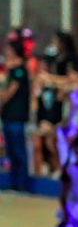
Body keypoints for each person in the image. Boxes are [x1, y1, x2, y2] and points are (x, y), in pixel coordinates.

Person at [2, 40, 32, 191]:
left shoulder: (20, 70)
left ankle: (22, 184)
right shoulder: (10, 69)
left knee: (19, 149)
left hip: (17, 115)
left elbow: (10, 91)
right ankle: (13, 182)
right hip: (8, 115)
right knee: (11, 150)